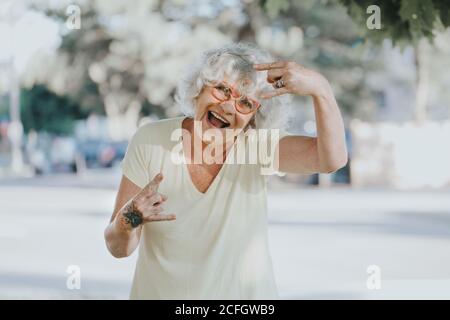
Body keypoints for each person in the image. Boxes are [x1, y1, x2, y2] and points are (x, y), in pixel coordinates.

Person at [104, 43, 347, 299]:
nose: (229, 107)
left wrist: (321, 90)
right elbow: (118, 248)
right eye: (222, 89)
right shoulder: (150, 140)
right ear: (199, 88)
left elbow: (331, 159)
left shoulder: (256, 146)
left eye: (245, 103)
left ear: (254, 118)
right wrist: (129, 217)